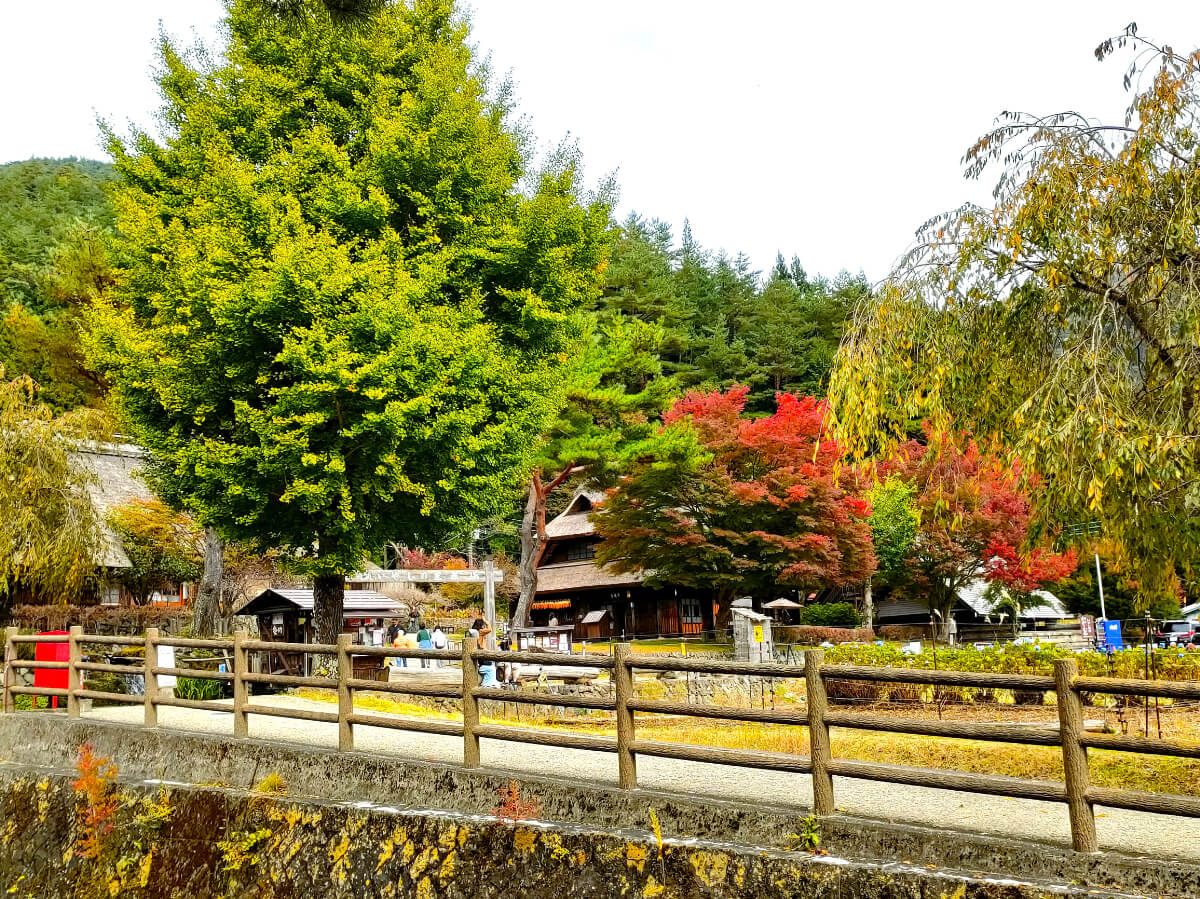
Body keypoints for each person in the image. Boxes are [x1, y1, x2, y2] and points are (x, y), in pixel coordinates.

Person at [468, 617, 497, 687]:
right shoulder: (480, 631)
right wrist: (487, 622)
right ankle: (487, 684)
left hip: (479, 650)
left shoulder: (474, 631)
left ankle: (487, 682)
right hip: (482, 650)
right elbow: (490, 629)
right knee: (490, 666)